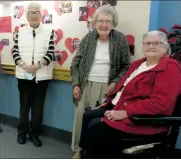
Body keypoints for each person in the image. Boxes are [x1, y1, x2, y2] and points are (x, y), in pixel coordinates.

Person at [77, 30, 181, 158]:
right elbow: (123, 91)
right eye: (147, 43)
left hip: (143, 120)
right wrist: (107, 103)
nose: (151, 46)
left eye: (156, 43)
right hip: (121, 107)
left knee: (96, 126)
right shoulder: (138, 64)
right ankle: (84, 154)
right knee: (89, 115)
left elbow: (160, 103)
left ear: (165, 47)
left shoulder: (170, 67)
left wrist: (126, 112)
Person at [70, 5, 131, 158]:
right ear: (95, 22)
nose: (104, 25)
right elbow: (75, 64)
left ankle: (93, 151)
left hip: (108, 87)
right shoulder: (88, 38)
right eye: (101, 21)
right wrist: (76, 84)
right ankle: (78, 149)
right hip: (85, 84)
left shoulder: (120, 39)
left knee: (101, 120)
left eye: (108, 21)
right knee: (80, 118)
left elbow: (126, 66)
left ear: (113, 23)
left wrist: (115, 82)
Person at [12, 2, 55, 147]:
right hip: (23, 76)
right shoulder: (20, 31)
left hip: (41, 77)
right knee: (24, 106)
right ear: (27, 15)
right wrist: (24, 66)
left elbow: (50, 53)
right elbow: (15, 52)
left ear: (41, 15)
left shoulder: (49, 31)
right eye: (31, 12)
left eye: (37, 12)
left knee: (38, 108)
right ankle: (22, 132)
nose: (34, 15)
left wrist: (37, 65)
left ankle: (34, 133)